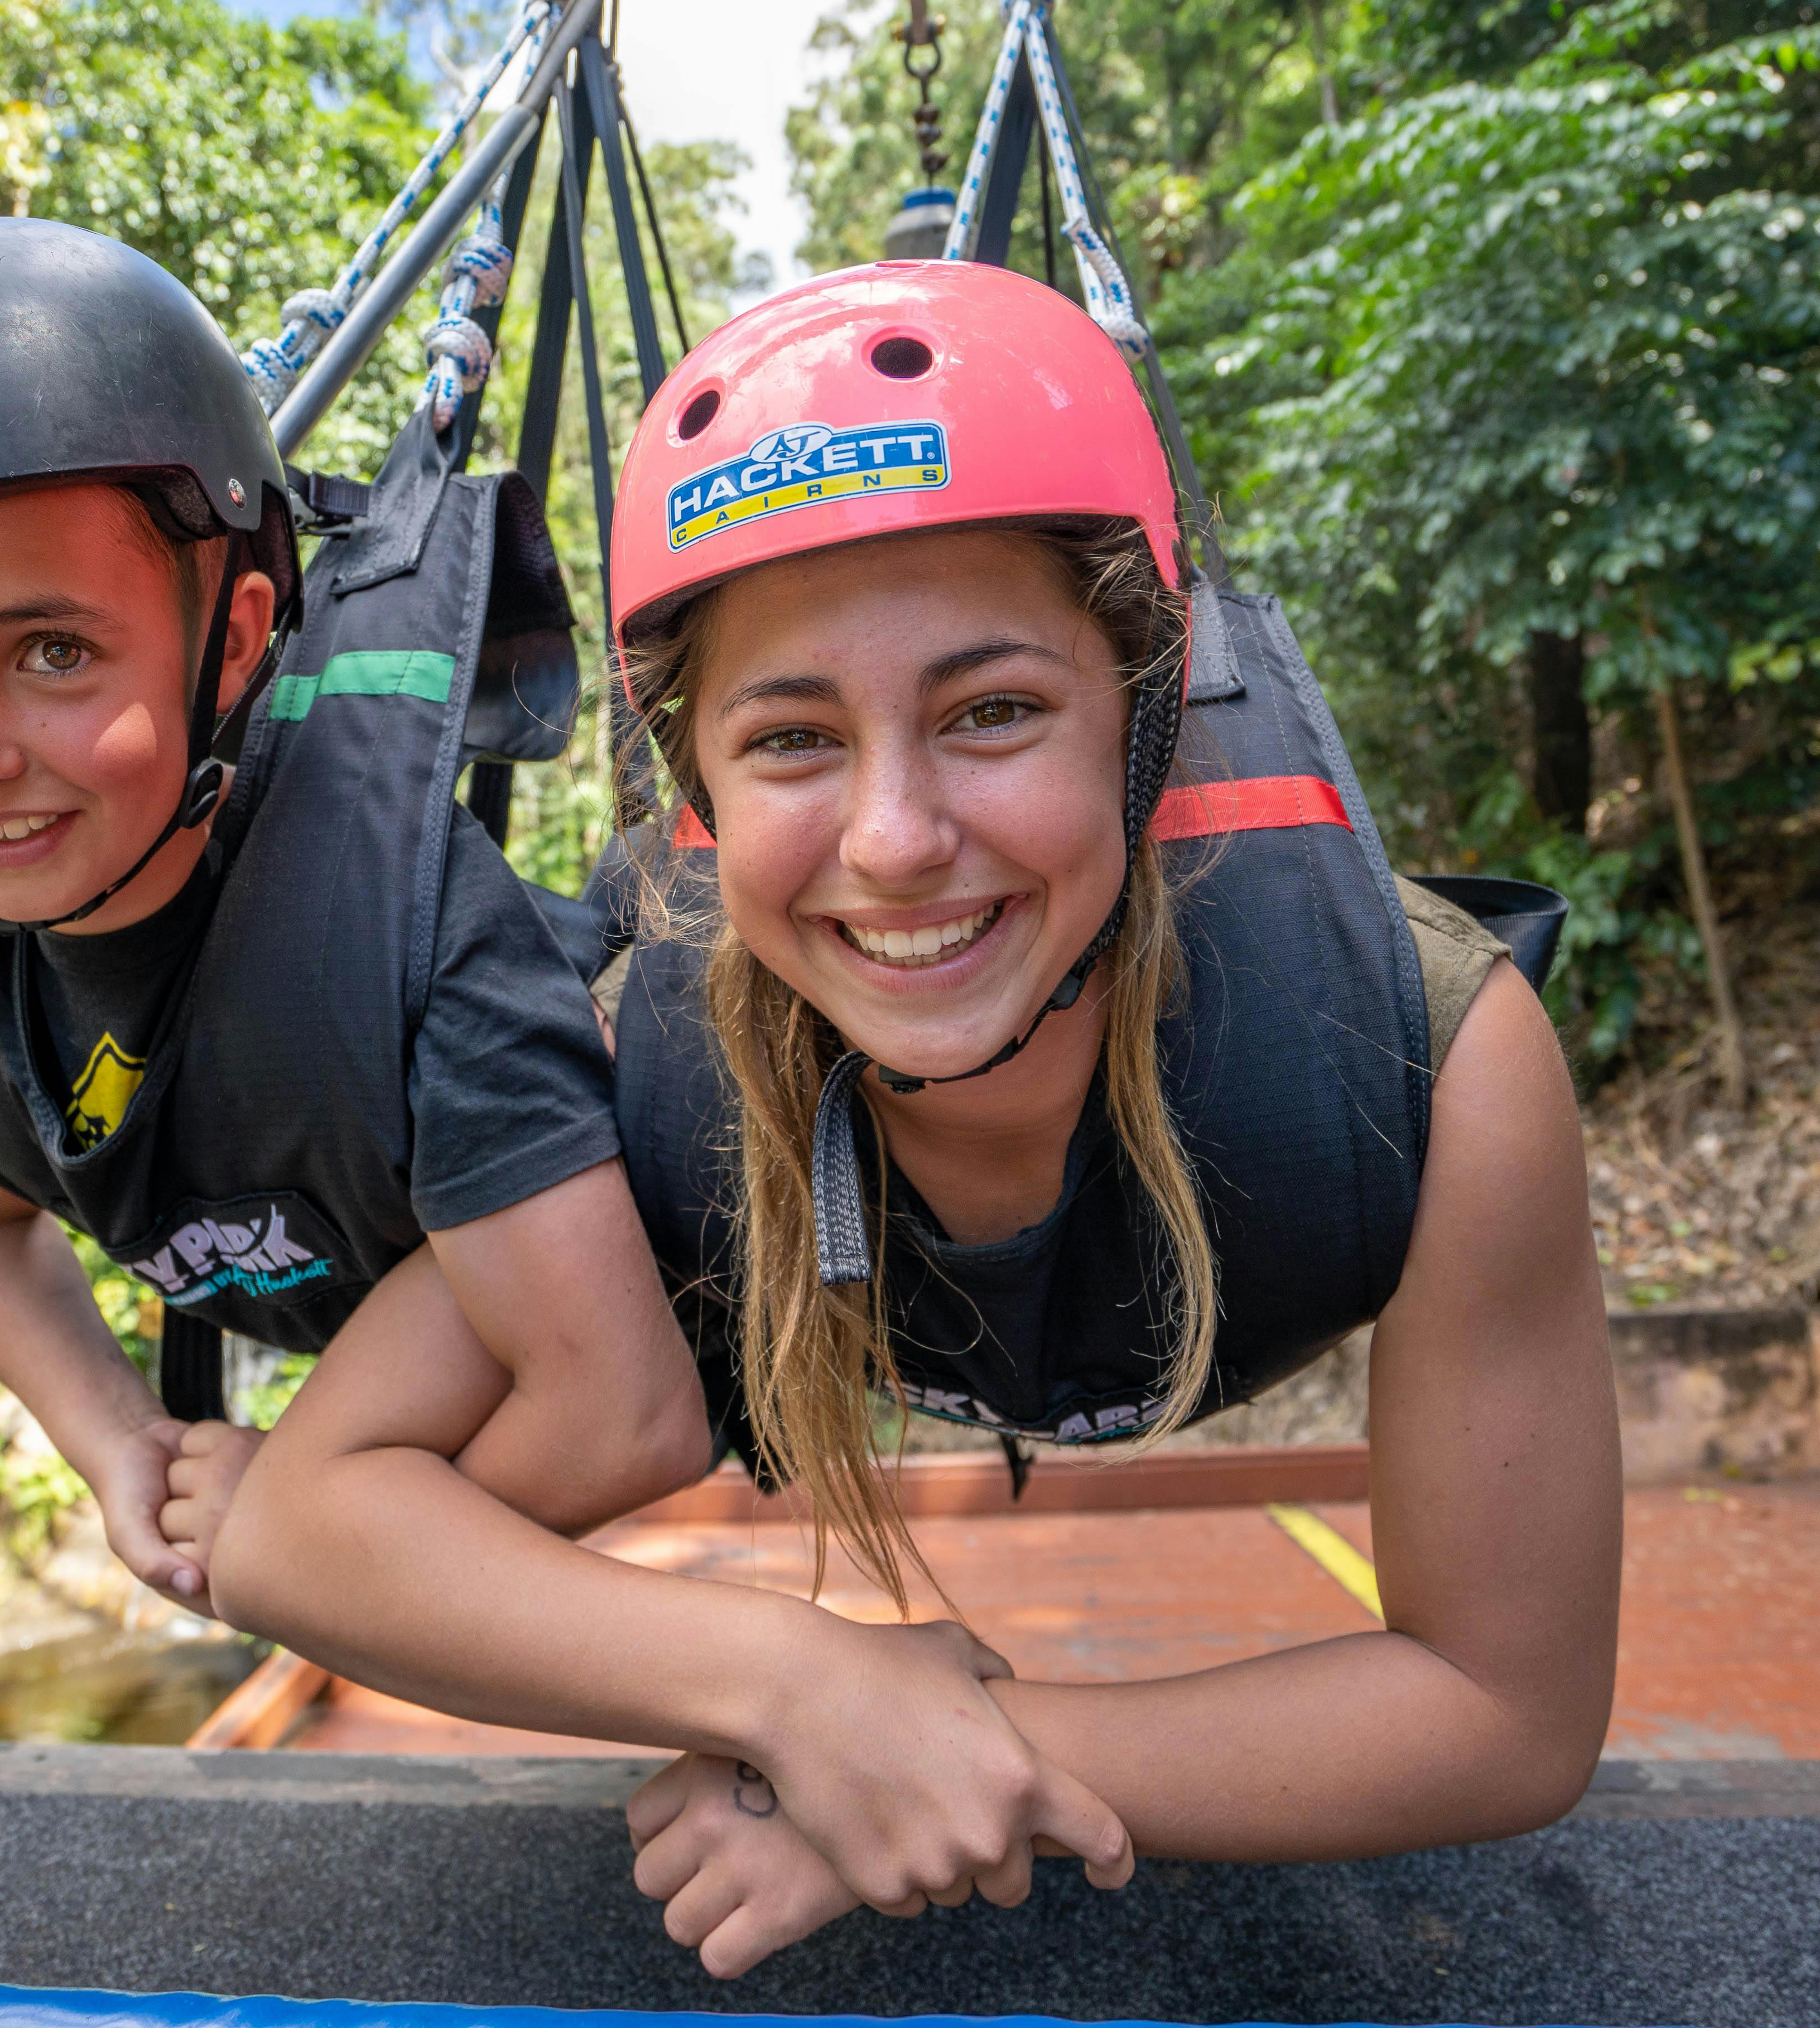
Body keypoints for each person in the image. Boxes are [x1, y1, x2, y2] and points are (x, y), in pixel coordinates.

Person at [0, 220, 1137, 1923]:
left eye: (53, 652)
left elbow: (618, 1412)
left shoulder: (408, 936)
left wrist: (332, 1543)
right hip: (417, 1321)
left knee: (321, 1520)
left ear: (239, 633)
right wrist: (118, 1444)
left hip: (605, 1275)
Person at [562, 261, 1624, 1975]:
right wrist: (803, 1692)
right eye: (792, 740)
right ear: (697, 789)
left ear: (1146, 716)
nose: (895, 841)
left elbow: (1508, 1711)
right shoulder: (639, 1066)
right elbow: (326, 1525)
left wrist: (938, 1756)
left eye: (993, 712)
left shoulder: (1433, 1059)